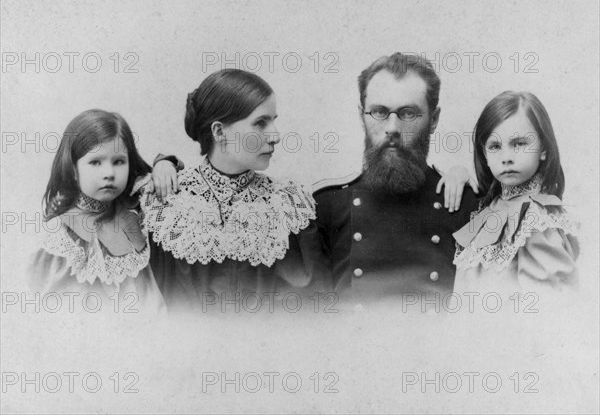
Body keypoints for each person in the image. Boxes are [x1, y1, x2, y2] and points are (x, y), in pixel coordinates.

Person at [142, 69, 324, 312]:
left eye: (273, 120)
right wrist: (164, 161)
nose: (276, 136)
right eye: (260, 123)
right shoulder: (168, 204)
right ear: (218, 131)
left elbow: (313, 306)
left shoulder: (288, 205)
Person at [313, 52, 479, 307]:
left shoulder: (466, 206)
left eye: (408, 113)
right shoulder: (327, 208)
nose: (392, 128)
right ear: (362, 116)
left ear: (433, 120)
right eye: (379, 112)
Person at [27, 109, 165, 313]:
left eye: (119, 162)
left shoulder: (133, 213)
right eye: (95, 162)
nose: (109, 173)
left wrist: (165, 163)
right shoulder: (62, 238)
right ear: (73, 170)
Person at [452, 91, 579, 298]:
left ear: (543, 149)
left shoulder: (536, 222)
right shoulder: (487, 211)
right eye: (495, 146)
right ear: (485, 155)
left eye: (519, 144)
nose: (506, 157)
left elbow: (551, 311)